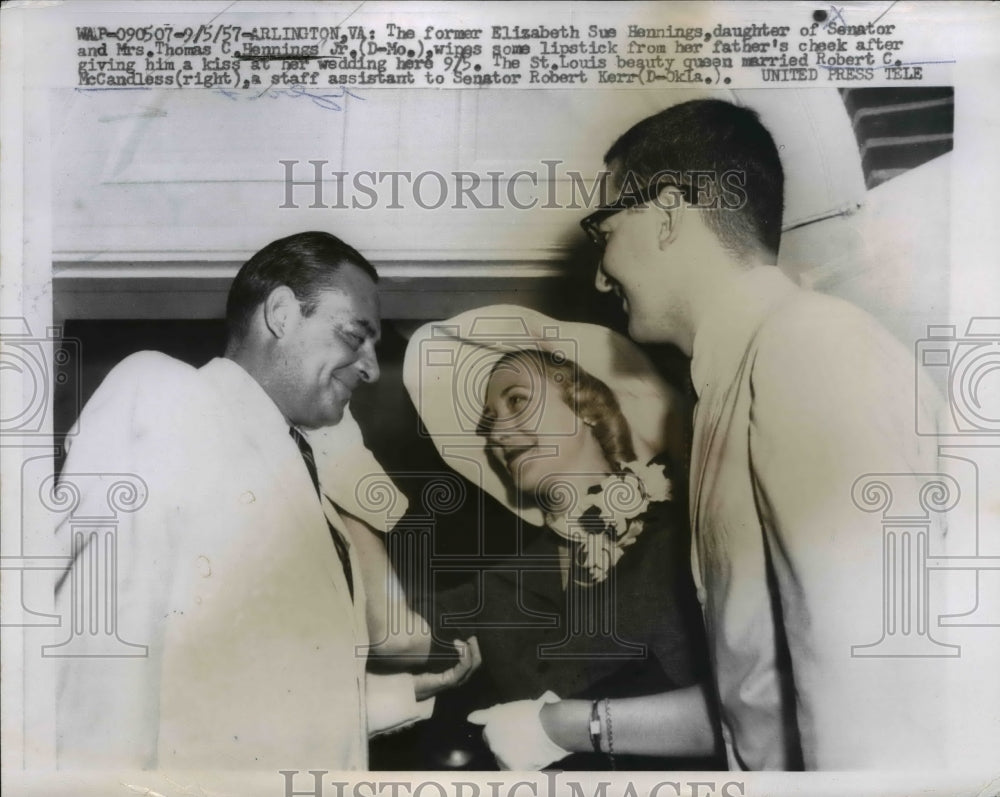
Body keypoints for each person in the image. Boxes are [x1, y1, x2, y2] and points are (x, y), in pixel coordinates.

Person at [583, 99, 950, 769]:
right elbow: (755, 700)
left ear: (666, 212)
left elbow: (874, 698)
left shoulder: (805, 347)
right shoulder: (726, 389)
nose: (600, 274)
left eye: (602, 229)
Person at [52, 231, 478, 770]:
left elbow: (250, 700)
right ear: (280, 312)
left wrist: (405, 691)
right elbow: (102, 656)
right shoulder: (164, 392)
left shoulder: (312, 496)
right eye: (354, 335)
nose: (370, 368)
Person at [403, 305, 721, 770]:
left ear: (589, 405)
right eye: (489, 420)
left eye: (515, 401)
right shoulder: (500, 585)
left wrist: (568, 725)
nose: (497, 432)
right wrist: (351, 487)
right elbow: (379, 634)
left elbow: (760, 706)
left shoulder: (694, 534)